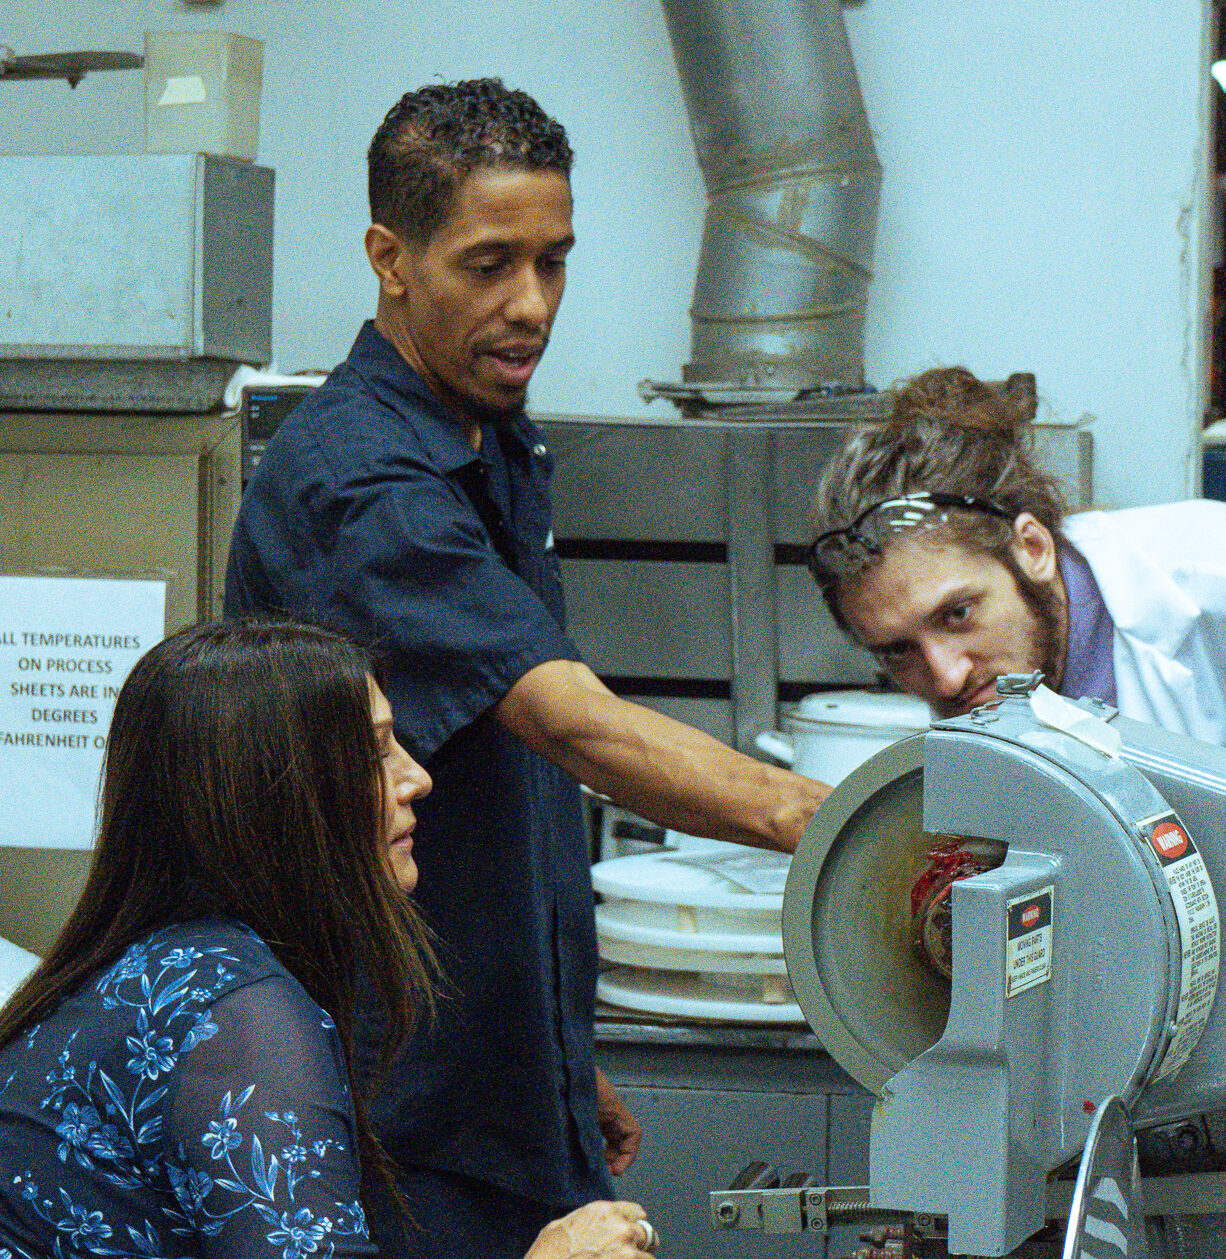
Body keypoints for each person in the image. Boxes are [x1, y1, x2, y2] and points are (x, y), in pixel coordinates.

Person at [223, 79, 829, 1258]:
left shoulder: (486, 434)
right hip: (407, 1113)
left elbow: (503, 793)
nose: (532, 305)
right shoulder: (363, 485)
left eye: (553, 261)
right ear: (389, 258)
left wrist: (557, 1055)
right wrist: (840, 823)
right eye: (490, 264)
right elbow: (577, 729)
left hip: (498, 1077)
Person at [0, 619, 658, 1259]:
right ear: (277, 795)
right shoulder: (240, 1015)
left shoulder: (169, 962)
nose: (416, 778)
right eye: (375, 751)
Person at [807, 365, 1226, 804]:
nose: (946, 678)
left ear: (1033, 549)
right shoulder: (992, 685)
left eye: (957, 615)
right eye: (899, 651)